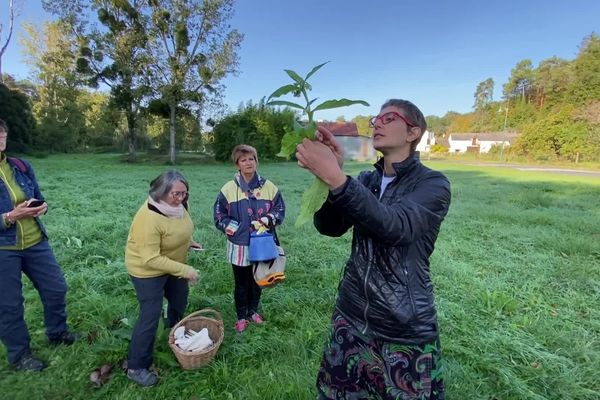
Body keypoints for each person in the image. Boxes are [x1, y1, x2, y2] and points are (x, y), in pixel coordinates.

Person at [296, 100, 451, 399]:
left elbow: (396, 226)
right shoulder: (366, 180)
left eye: (389, 117)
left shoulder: (433, 184)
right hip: (351, 314)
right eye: (375, 118)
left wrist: (339, 179)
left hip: (402, 324)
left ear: (412, 132)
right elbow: (329, 227)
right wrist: (330, 176)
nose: (377, 123)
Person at [0, 118, 76, 372]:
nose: (0, 141)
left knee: (56, 288)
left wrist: (41, 207)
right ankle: (20, 355)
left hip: (35, 242)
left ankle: (57, 332)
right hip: (3, 249)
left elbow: (39, 199)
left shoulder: (20, 166)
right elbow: (11, 215)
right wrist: (10, 217)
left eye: (2, 136)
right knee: (9, 304)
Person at [124, 170, 200, 387]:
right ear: (161, 192)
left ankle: (174, 335)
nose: (181, 199)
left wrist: (188, 242)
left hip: (172, 264)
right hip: (146, 271)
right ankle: (136, 366)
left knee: (179, 300)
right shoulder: (148, 218)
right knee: (151, 314)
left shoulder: (179, 206)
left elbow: (180, 229)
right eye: (176, 194)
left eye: (184, 194)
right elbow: (150, 258)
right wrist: (185, 270)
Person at [214, 144, 285, 333]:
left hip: (261, 243)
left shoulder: (269, 187)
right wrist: (232, 228)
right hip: (239, 245)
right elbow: (219, 214)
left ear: (256, 161)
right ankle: (241, 316)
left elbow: (279, 209)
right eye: (243, 159)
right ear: (237, 164)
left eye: (251, 159)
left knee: (258, 280)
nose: (248, 163)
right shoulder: (228, 189)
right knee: (241, 283)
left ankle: (253, 311)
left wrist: (268, 219)